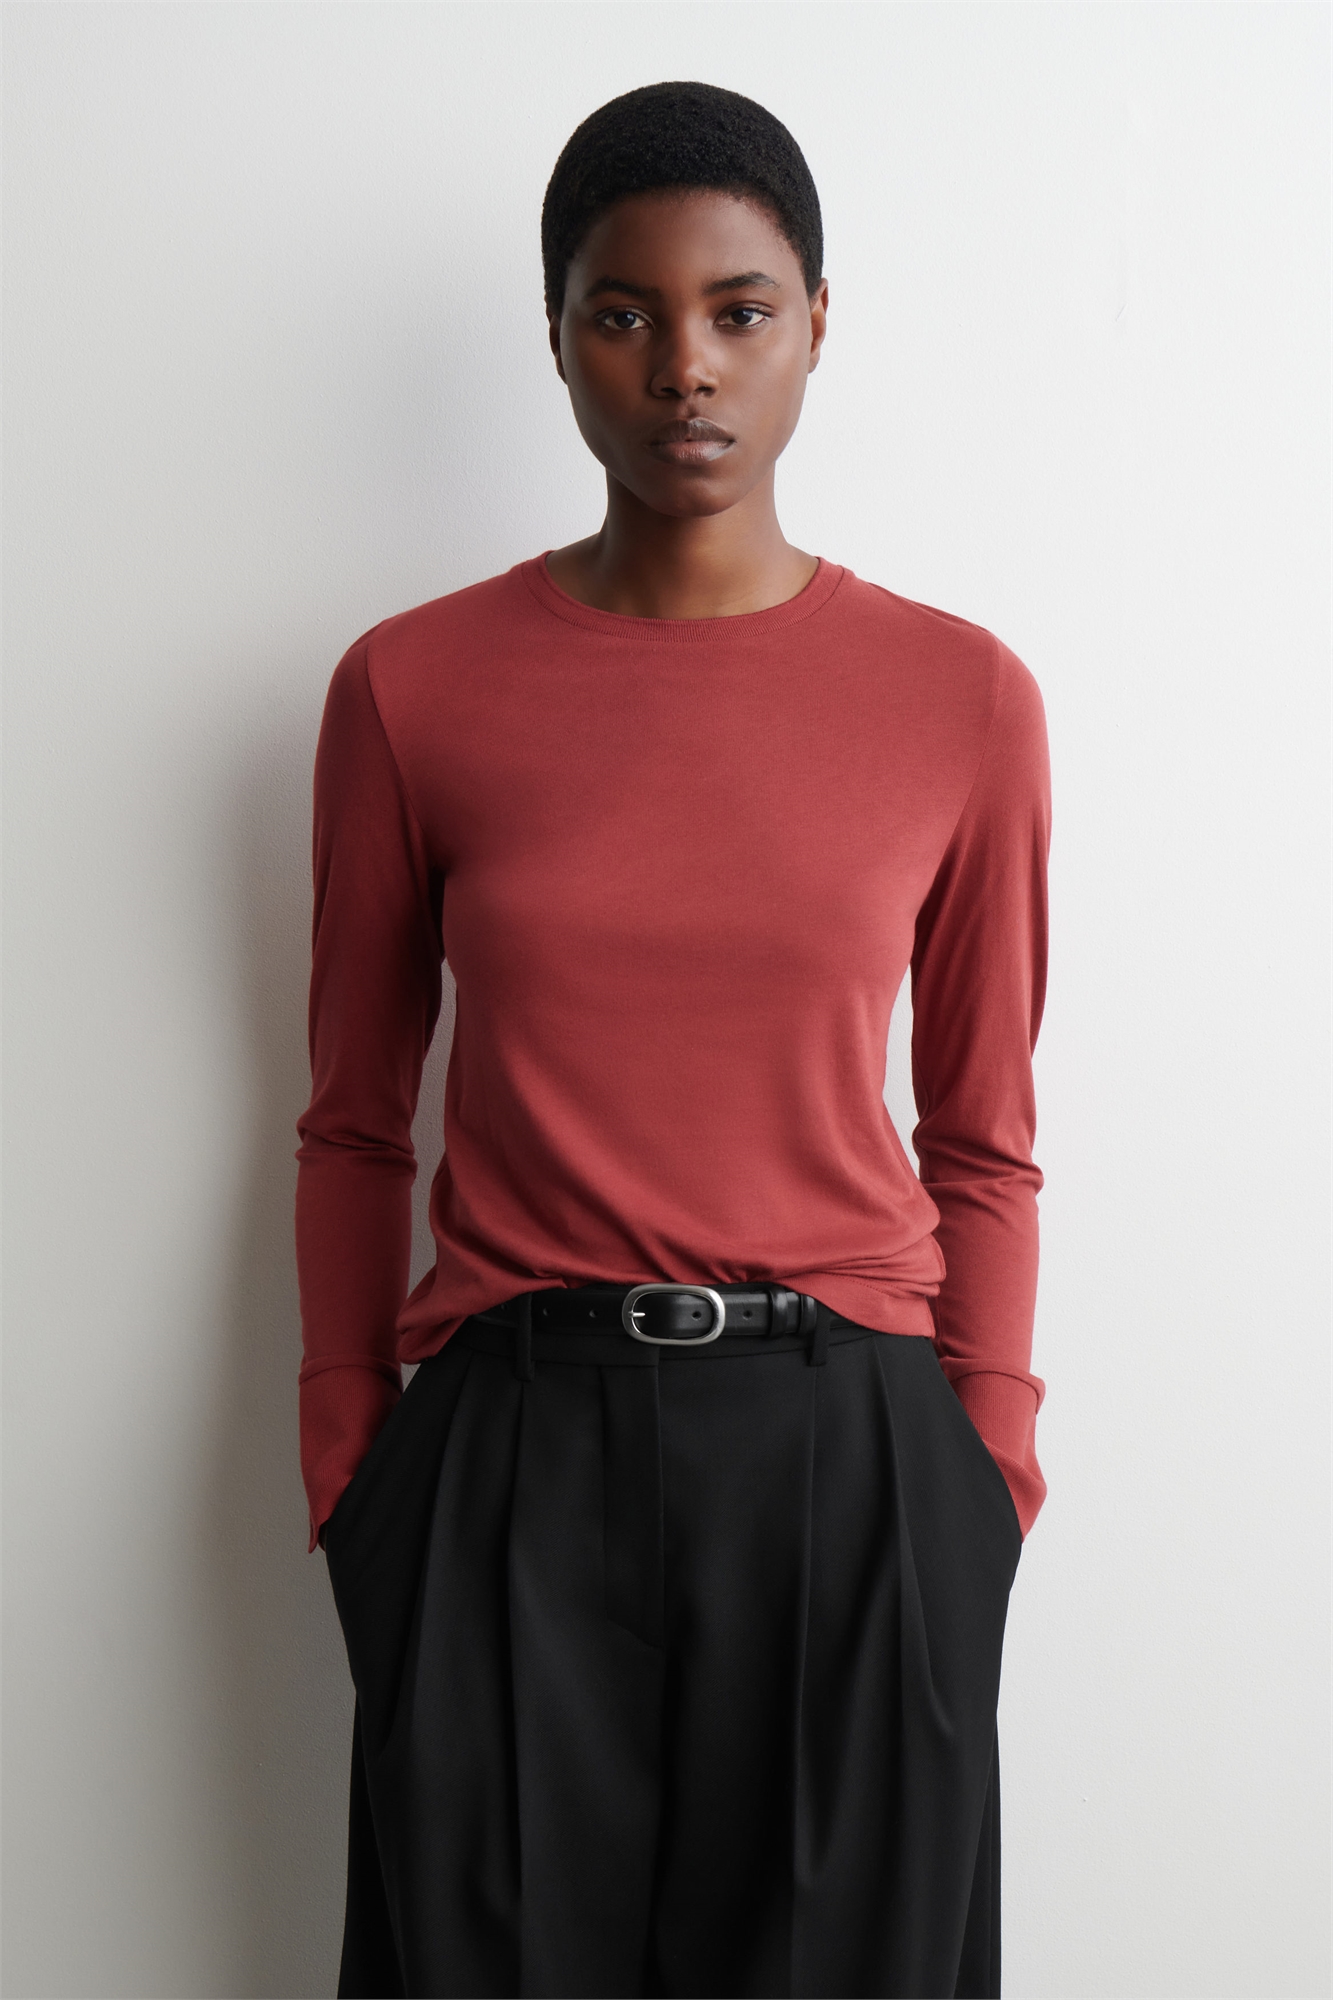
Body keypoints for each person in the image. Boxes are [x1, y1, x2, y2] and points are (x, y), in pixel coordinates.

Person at [295, 78, 1050, 2000]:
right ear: (556, 339)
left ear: (816, 325)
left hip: (850, 1453)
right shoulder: (409, 688)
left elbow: (979, 1133)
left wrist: (985, 1473)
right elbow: (353, 1122)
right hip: (509, 1451)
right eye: (622, 313)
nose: (684, 367)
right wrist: (352, 1471)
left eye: (739, 310)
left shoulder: (959, 699)